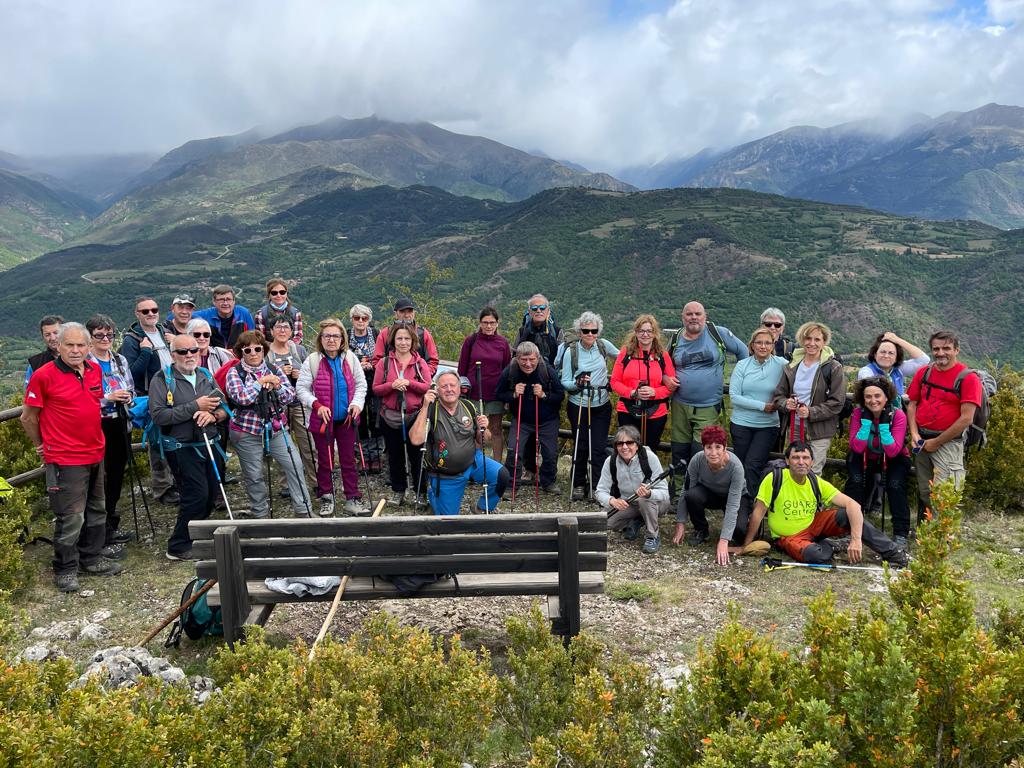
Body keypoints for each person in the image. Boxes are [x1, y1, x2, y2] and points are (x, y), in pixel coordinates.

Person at [21, 322, 124, 592]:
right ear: (60, 345)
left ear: (89, 347)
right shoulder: (43, 375)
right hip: (65, 458)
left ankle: (91, 557)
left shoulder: (94, 370)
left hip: (95, 452)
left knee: (97, 509)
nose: (76, 350)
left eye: (81, 345)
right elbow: (28, 417)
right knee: (71, 515)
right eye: (70, 345)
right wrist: (41, 445)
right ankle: (65, 568)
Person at [742, 441, 908, 567]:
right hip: (789, 536)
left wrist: (856, 540)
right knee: (818, 557)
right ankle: (833, 546)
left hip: (813, 525)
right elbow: (758, 512)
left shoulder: (815, 481)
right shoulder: (774, 479)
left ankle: (894, 553)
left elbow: (853, 505)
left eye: (806, 458)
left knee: (847, 514)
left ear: (812, 462)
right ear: (787, 461)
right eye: (795, 458)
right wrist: (746, 544)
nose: (801, 462)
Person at [148, 334, 230, 560]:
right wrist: (196, 405)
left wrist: (213, 416)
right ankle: (178, 545)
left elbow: (224, 407)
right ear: (173, 355)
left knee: (211, 493)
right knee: (195, 494)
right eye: (183, 352)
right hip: (181, 447)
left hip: (209, 442)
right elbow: (159, 416)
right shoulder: (162, 379)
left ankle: (195, 535)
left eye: (193, 350)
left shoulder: (204, 375)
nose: (189, 355)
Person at [225, 330, 312, 518]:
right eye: (247, 350)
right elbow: (242, 398)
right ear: (241, 352)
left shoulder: (273, 369)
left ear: (263, 350)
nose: (254, 353)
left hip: (275, 428)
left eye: (257, 348)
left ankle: (304, 510)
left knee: (295, 464)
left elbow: (290, 396)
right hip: (246, 430)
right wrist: (262, 382)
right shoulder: (235, 373)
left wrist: (278, 385)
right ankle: (260, 514)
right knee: (254, 474)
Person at [410, 369, 509, 515]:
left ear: (459, 387)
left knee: (501, 476)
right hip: (446, 474)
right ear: (437, 390)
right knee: (448, 523)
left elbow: (484, 440)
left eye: (453, 385)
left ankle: (482, 508)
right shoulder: (431, 410)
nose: (449, 389)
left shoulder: (468, 406)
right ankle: (434, 497)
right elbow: (415, 439)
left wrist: (484, 428)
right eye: (444, 386)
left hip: (473, 462)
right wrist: (425, 406)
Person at [906, 330, 982, 518]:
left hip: (948, 444)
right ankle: (931, 535)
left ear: (956, 350)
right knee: (925, 491)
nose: (940, 353)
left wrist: (937, 442)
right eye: (936, 349)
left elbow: (966, 418)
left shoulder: (968, 378)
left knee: (945, 494)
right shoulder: (924, 373)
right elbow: (912, 404)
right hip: (922, 440)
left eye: (946, 348)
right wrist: (914, 434)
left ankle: (942, 539)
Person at [297, 320, 370, 517]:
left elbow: (361, 385)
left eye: (336, 336)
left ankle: (352, 498)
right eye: (327, 336)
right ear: (321, 339)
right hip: (322, 421)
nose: (331, 339)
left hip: (346, 420)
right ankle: (327, 497)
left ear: (342, 339)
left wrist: (356, 404)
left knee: (348, 459)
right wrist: (316, 405)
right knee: (325, 460)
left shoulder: (350, 358)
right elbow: (301, 389)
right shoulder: (312, 360)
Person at [666, 301, 747, 466]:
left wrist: (740, 381)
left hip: (708, 406)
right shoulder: (675, 339)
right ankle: (679, 490)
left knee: (702, 452)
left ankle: (698, 489)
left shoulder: (717, 333)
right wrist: (665, 379)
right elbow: (663, 365)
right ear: (683, 318)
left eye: (698, 314)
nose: (694, 317)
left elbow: (743, 351)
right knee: (679, 451)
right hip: (680, 405)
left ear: (705, 317)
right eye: (689, 314)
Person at [120, 295, 177, 505]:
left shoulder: (164, 332)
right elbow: (132, 373)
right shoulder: (132, 340)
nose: (151, 314)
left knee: (174, 438)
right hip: (151, 395)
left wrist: (175, 343)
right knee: (157, 442)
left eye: (154, 310)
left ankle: (176, 482)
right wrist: (145, 352)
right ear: (137, 314)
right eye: (145, 311)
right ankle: (163, 489)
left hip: (173, 392)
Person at [86, 314, 135, 553]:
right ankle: (97, 533)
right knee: (98, 479)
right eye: (99, 335)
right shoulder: (84, 363)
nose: (105, 339)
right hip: (96, 425)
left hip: (119, 423)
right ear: (90, 337)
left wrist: (128, 397)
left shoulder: (120, 360)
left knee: (116, 474)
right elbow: (82, 400)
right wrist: (108, 398)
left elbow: (131, 387)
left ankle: (110, 526)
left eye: (109, 335)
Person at [771, 321, 846, 475]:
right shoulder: (792, 365)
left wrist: (811, 412)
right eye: (808, 339)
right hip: (795, 427)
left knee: (812, 472)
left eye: (817, 339)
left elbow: (837, 401)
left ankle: (813, 500)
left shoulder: (833, 367)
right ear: (802, 340)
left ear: (824, 342)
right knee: (793, 471)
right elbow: (779, 396)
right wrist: (787, 404)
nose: (812, 343)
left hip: (819, 430)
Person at [846, 377, 912, 549]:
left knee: (895, 484)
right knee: (856, 482)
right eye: (868, 397)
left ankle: (901, 533)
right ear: (862, 398)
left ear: (886, 397)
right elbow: (857, 447)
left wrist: (883, 426)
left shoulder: (897, 415)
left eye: (877, 396)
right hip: (864, 455)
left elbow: (892, 450)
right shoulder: (858, 414)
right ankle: (851, 528)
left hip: (894, 457)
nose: (873, 400)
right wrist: (866, 424)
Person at [559, 311, 619, 500]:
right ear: (579, 332)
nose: (590, 334)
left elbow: (623, 359)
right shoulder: (571, 351)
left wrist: (616, 380)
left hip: (601, 404)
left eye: (594, 331)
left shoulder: (603, 346)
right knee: (581, 444)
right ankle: (578, 484)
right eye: (586, 331)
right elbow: (565, 381)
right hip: (579, 404)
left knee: (599, 447)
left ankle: (597, 486)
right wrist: (577, 383)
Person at [372, 322, 432, 507]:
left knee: (417, 456)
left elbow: (426, 386)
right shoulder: (385, 363)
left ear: (413, 340)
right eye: (399, 338)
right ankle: (398, 491)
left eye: (407, 338)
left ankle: (420, 493)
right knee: (395, 456)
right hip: (390, 416)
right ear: (393, 340)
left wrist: (408, 382)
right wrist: (391, 385)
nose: (403, 342)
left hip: (414, 416)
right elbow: (376, 389)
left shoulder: (419, 363)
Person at [672, 426, 752, 563]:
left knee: (739, 531)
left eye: (718, 447)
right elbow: (685, 491)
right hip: (710, 493)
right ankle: (701, 530)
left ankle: (746, 522)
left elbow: (733, 505)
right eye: (709, 447)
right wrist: (681, 523)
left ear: (725, 447)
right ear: (703, 448)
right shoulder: (697, 460)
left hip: (735, 497)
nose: (713, 452)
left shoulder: (736, 467)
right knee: (691, 495)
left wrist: (723, 540)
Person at [496, 341, 565, 496]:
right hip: (522, 419)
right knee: (514, 450)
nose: (528, 364)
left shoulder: (547, 370)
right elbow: (499, 394)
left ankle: (548, 482)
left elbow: (560, 395)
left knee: (550, 454)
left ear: (538, 358)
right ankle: (511, 485)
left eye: (532, 360)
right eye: (524, 360)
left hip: (548, 420)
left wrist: (544, 395)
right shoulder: (510, 370)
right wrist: (513, 394)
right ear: (517, 358)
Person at [595, 425, 671, 555]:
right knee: (606, 522)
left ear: (637, 445)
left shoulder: (650, 457)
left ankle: (652, 536)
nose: (624, 447)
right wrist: (612, 500)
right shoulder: (610, 461)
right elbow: (600, 491)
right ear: (616, 446)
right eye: (620, 443)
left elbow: (664, 492)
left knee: (644, 499)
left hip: (656, 502)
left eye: (629, 442)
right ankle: (638, 520)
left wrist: (649, 493)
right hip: (629, 502)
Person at [729, 327, 786, 495]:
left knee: (753, 464)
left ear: (773, 345)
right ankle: (741, 502)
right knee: (740, 465)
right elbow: (734, 396)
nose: (763, 346)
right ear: (752, 345)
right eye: (759, 342)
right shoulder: (742, 365)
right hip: (741, 424)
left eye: (767, 343)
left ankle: (753, 503)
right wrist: (762, 406)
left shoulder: (781, 365)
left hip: (767, 426)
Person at [265, 314, 316, 493]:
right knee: (283, 446)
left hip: (299, 403)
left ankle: (315, 480)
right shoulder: (265, 352)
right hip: (277, 406)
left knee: (308, 444)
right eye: (278, 327)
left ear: (291, 330)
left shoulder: (299, 350)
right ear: (271, 331)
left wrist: (299, 374)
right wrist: (280, 376)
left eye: (285, 327)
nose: (282, 330)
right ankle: (286, 484)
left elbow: (312, 375)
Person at [515, 294, 563, 483]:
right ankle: (529, 469)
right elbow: (515, 354)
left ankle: (547, 474)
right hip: (524, 384)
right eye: (534, 309)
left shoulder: (557, 332)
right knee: (527, 430)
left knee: (548, 432)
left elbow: (561, 358)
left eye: (542, 308)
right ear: (529, 311)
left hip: (550, 387)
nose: (538, 311)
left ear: (548, 311)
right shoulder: (522, 331)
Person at [610, 314, 674, 451]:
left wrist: (654, 392)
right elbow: (614, 381)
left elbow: (671, 386)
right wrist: (632, 393)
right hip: (628, 409)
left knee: (650, 451)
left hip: (656, 412)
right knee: (627, 450)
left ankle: (648, 473)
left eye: (649, 331)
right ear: (636, 332)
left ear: (655, 333)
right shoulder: (626, 353)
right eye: (641, 331)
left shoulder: (662, 355)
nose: (645, 334)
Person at [457, 306, 512, 462]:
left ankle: (496, 465)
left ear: (497, 324)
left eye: (492, 322)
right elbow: (462, 368)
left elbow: (506, 369)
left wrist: (506, 396)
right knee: (475, 429)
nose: (489, 326)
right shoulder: (471, 340)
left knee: (495, 429)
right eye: (485, 322)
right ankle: (475, 463)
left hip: (496, 393)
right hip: (473, 392)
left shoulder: (502, 343)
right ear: (480, 323)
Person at [348, 304, 383, 473]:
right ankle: (361, 455)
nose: (361, 321)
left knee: (375, 417)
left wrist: (372, 364)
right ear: (352, 320)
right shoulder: (346, 336)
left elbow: (383, 357)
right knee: (358, 417)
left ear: (369, 320)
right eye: (357, 318)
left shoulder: (377, 335)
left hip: (374, 378)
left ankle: (375, 456)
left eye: (364, 318)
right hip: (354, 382)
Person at [371, 298, 440, 374]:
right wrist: (389, 376)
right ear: (395, 313)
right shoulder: (385, 333)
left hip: (418, 382)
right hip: (391, 382)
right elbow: (376, 360)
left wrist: (423, 376)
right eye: (402, 311)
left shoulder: (423, 334)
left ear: (414, 313)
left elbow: (433, 361)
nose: (406, 315)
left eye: (410, 311)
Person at [857, 331, 929, 399]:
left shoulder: (898, 369)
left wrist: (897, 340)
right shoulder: (866, 371)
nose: (886, 356)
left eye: (891, 353)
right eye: (883, 352)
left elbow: (924, 360)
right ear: (875, 355)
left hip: (897, 411)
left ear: (896, 357)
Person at [193, 284, 255, 350]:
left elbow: (253, 337)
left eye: (228, 299)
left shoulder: (243, 313)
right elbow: (188, 315)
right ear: (214, 302)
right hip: (215, 356)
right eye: (221, 299)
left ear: (234, 301)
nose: (225, 303)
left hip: (238, 355)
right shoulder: (206, 315)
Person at [254, 278, 304, 345]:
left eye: (282, 292)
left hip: (290, 350)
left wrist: (288, 346)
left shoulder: (295, 313)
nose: (279, 295)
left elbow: (298, 336)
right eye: (274, 293)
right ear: (269, 295)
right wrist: (276, 348)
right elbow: (260, 339)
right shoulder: (261, 314)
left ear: (286, 293)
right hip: (269, 352)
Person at [24, 314, 63, 390]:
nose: (52, 338)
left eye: (56, 333)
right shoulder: (35, 363)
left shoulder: (78, 358)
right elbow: (30, 392)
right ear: (43, 337)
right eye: (47, 334)